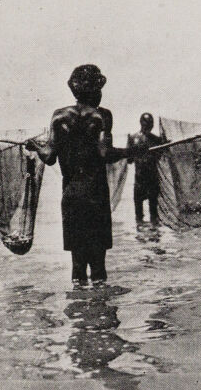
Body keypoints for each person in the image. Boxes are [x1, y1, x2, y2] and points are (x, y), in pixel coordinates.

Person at [26, 65, 130, 285]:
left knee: (78, 266)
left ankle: (79, 313)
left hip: (71, 195)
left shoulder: (59, 116)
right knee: (99, 267)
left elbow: (50, 156)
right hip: (96, 193)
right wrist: (131, 152)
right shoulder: (102, 115)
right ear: (94, 89)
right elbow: (104, 153)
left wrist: (35, 145)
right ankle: (100, 312)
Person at [127, 112, 163, 225]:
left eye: (151, 123)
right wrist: (134, 152)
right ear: (141, 122)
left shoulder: (157, 140)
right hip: (139, 181)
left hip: (152, 181)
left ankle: (154, 238)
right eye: (146, 122)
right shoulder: (133, 138)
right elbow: (129, 160)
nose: (148, 125)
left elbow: (161, 157)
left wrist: (164, 144)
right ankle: (140, 238)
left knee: (154, 214)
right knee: (139, 216)